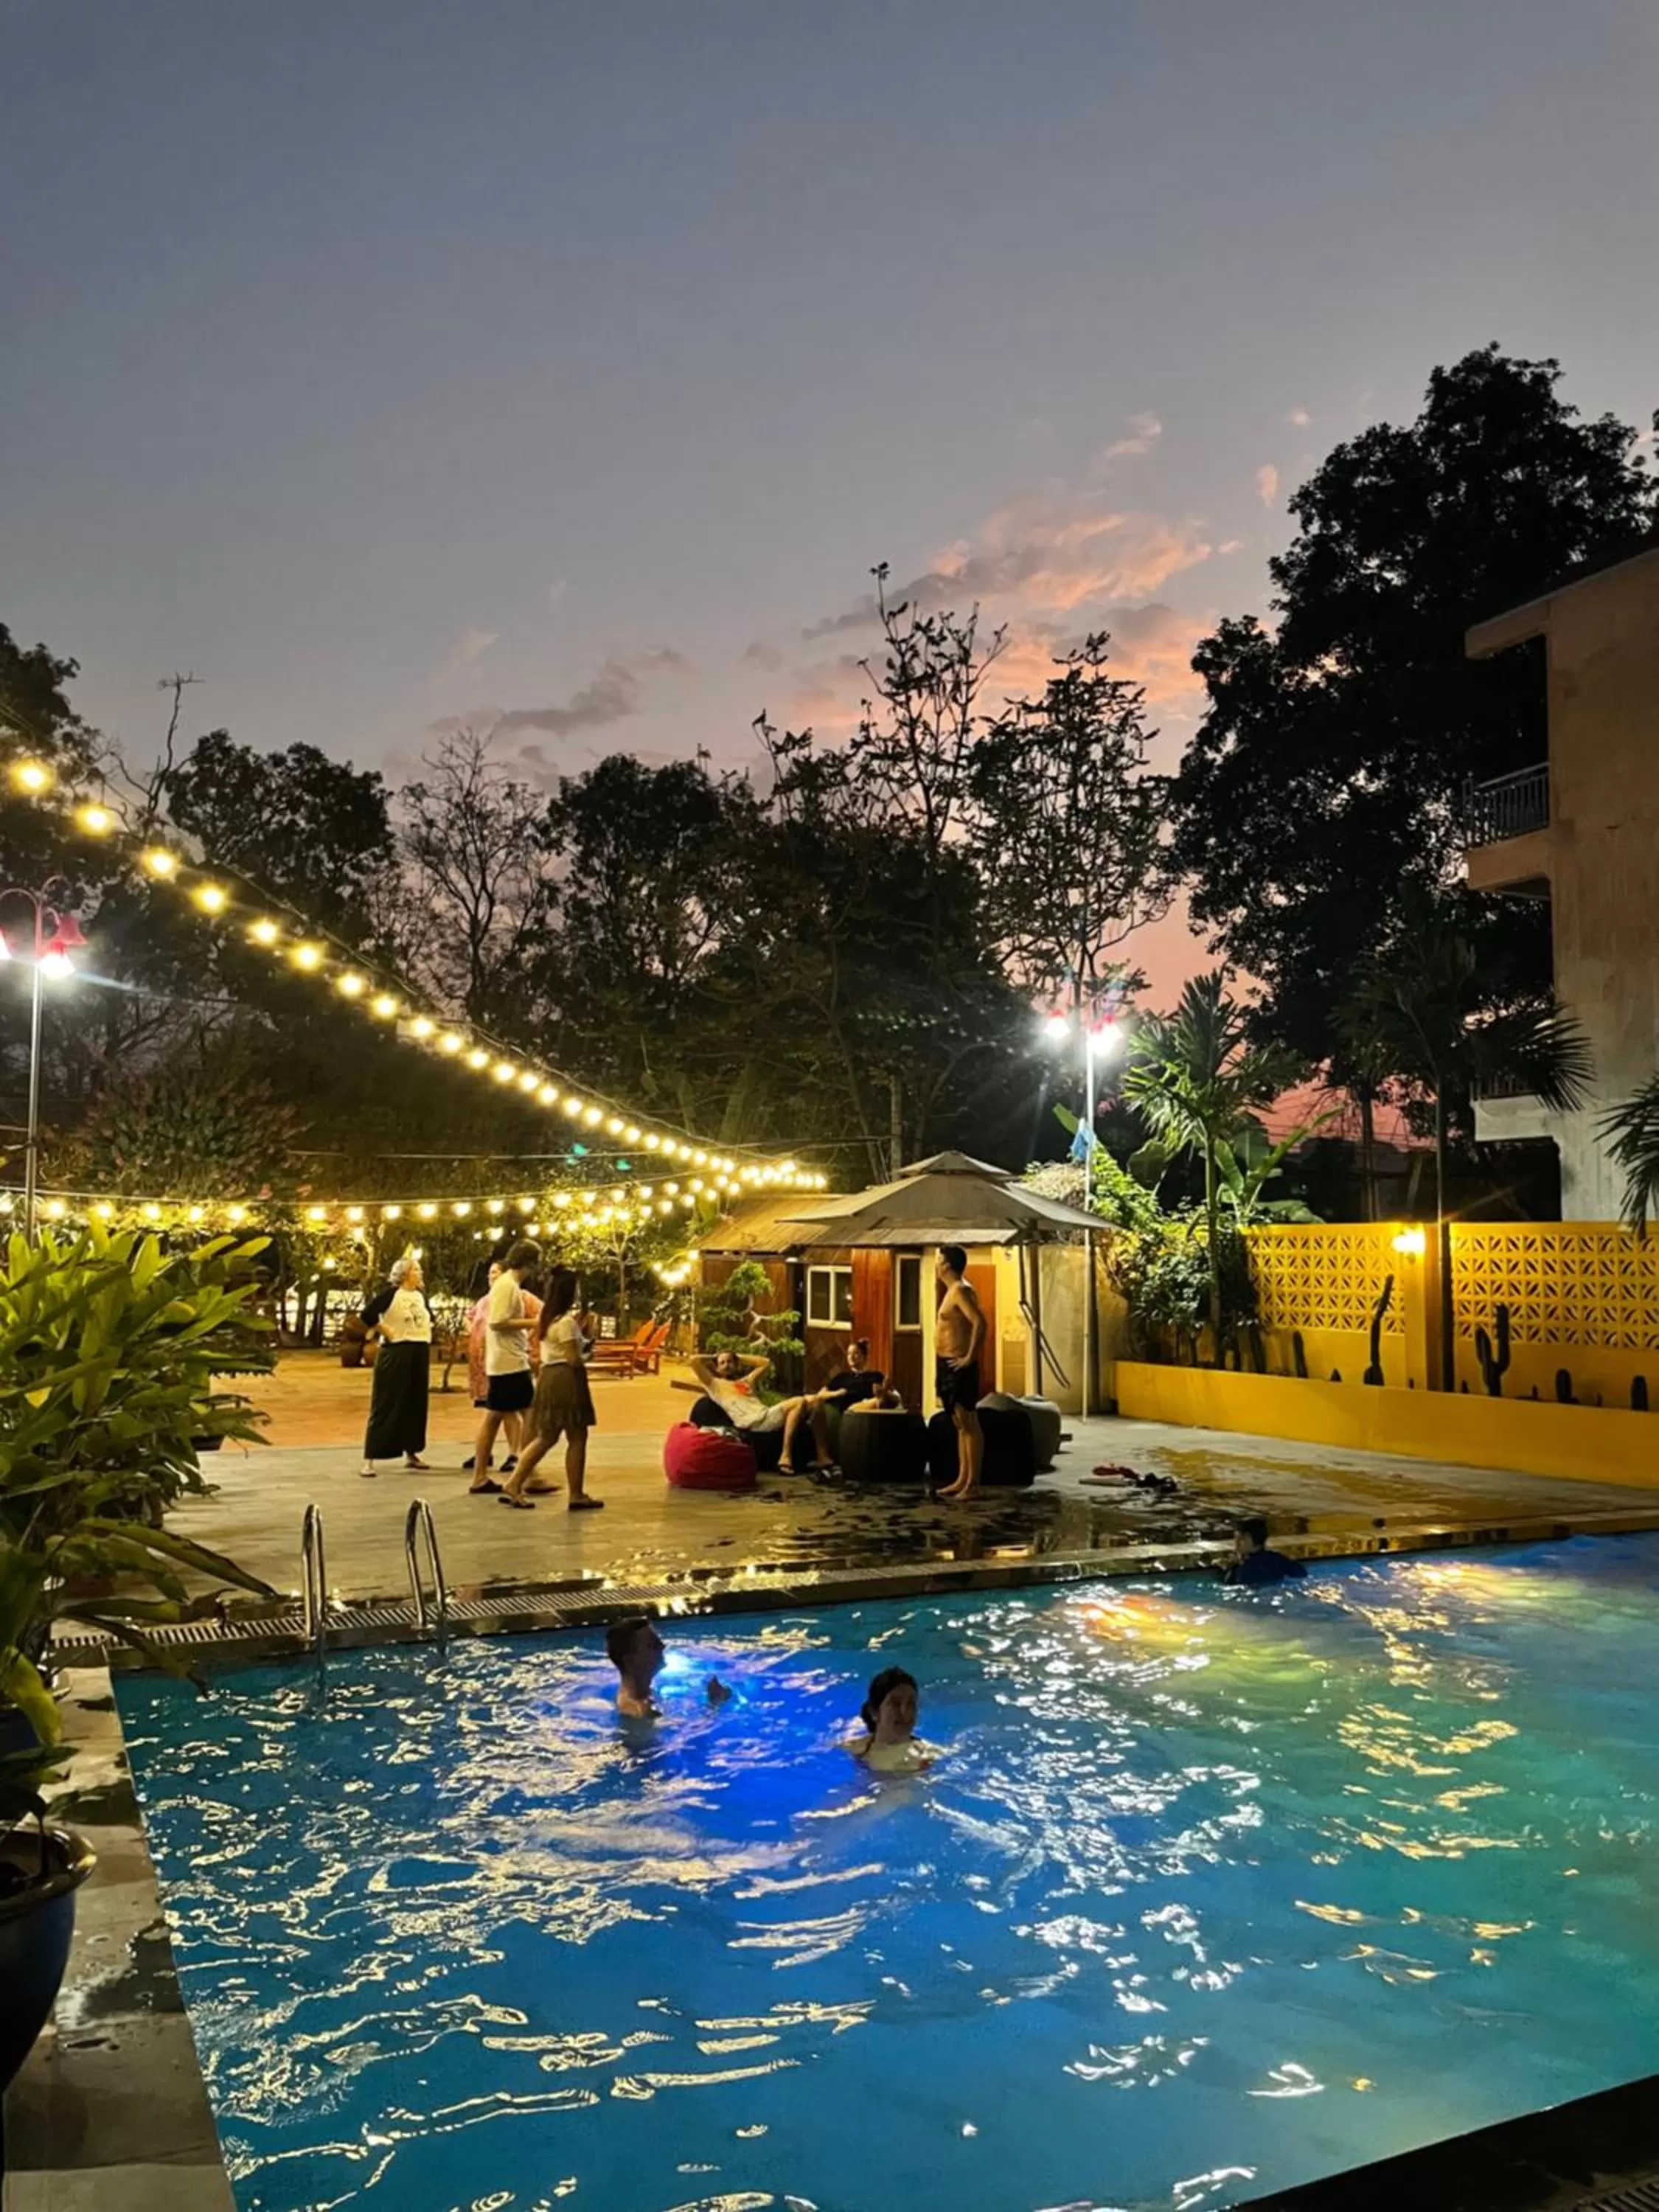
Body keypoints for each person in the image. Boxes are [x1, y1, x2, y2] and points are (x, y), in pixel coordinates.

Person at [501, 1267, 603, 1512]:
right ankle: (575, 1494)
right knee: (576, 1437)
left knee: (546, 1437)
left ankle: (515, 1482)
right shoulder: (566, 1322)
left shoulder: (548, 1318)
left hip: (549, 1377)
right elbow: (573, 1359)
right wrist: (589, 1350)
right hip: (566, 1379)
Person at [469, 1240, 540, 1494]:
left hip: (506, 1360)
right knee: (529, 1415)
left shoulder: (509, 1286)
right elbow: (498, 1322)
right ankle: (527, 1474)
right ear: (530, 1264)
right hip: (508, 1362)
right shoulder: (507, 1286)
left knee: (497, 1417)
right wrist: (533, 1322)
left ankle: (488, 1475)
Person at [688, 1348, 833, 1471]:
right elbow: (693, 1361)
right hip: (752, 1422)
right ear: (717, 1368)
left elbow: (766, 1363)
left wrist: (738, 1356)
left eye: (730, 1362)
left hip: (765, 1414)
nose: (727, 1365)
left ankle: (823, 1456)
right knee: (798, 1401)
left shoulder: (746, 1382)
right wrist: (714, 1356)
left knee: (816, 1401)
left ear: (736, 1365)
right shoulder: (715, 1385)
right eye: (723, 1363)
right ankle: (785, 1456)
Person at [359, 1255, 433, 1477]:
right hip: (397, 1351)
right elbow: (368, 1314)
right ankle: (370, 1458)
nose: (420, 1273)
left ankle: (411, 1452)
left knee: (415, 1403)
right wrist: (385, 1330)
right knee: (387, 1402)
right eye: (416, 1270)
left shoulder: (420, 1296)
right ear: (405, 1274)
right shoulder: (391, 1295)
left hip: (419, 1350)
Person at [933, 1245, 986, 1500]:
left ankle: (973, 1484)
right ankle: (962, 1478)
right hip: (946, 1365)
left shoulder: (961, 1290)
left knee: (968, 1422)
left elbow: (979, 1322)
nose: (936, 1264)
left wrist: (969, 1357)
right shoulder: (951, 1291)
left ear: (947, 1265)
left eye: (938, 1260)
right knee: (958, 1423)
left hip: (959, 1366)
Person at [605, 1615, 730, 1720]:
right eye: (653, 1645)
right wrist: (714, 1705)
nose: (663, 1647)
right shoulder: (638, 1712)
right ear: (631, 1660)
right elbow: (684, 1741)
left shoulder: (642, 1693)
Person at [848, 1665, 933, 1773]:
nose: (904, 1712)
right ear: (874, 1712)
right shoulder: (853, 1750)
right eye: (895, 1704)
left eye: (911, 1704)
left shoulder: (929, 1756)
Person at [1224, 1516, 1308, 1587]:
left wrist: (1232, 1567)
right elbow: (1302, 1573)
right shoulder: (1277, 1559)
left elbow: (1228, 1584)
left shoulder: (1241, 1570)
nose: (1236, 1542)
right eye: (1236, 1538)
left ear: (1255, 1541)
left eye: (1242, 1539)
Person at [822, 1338, 897, 1413]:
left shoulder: (876, 1376)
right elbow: (822, 1394)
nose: (851, 1357)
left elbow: (896, 1398)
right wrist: (837, 1393)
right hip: (852, 1412)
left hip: (875, 1414)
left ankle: (882, 1396)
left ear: (864, 1356)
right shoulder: (842, 1377)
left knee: (888, 1400)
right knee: (878, 1401)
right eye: (849, 1353)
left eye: (856, 1353)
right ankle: (881, 1398)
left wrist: (885, 1391)